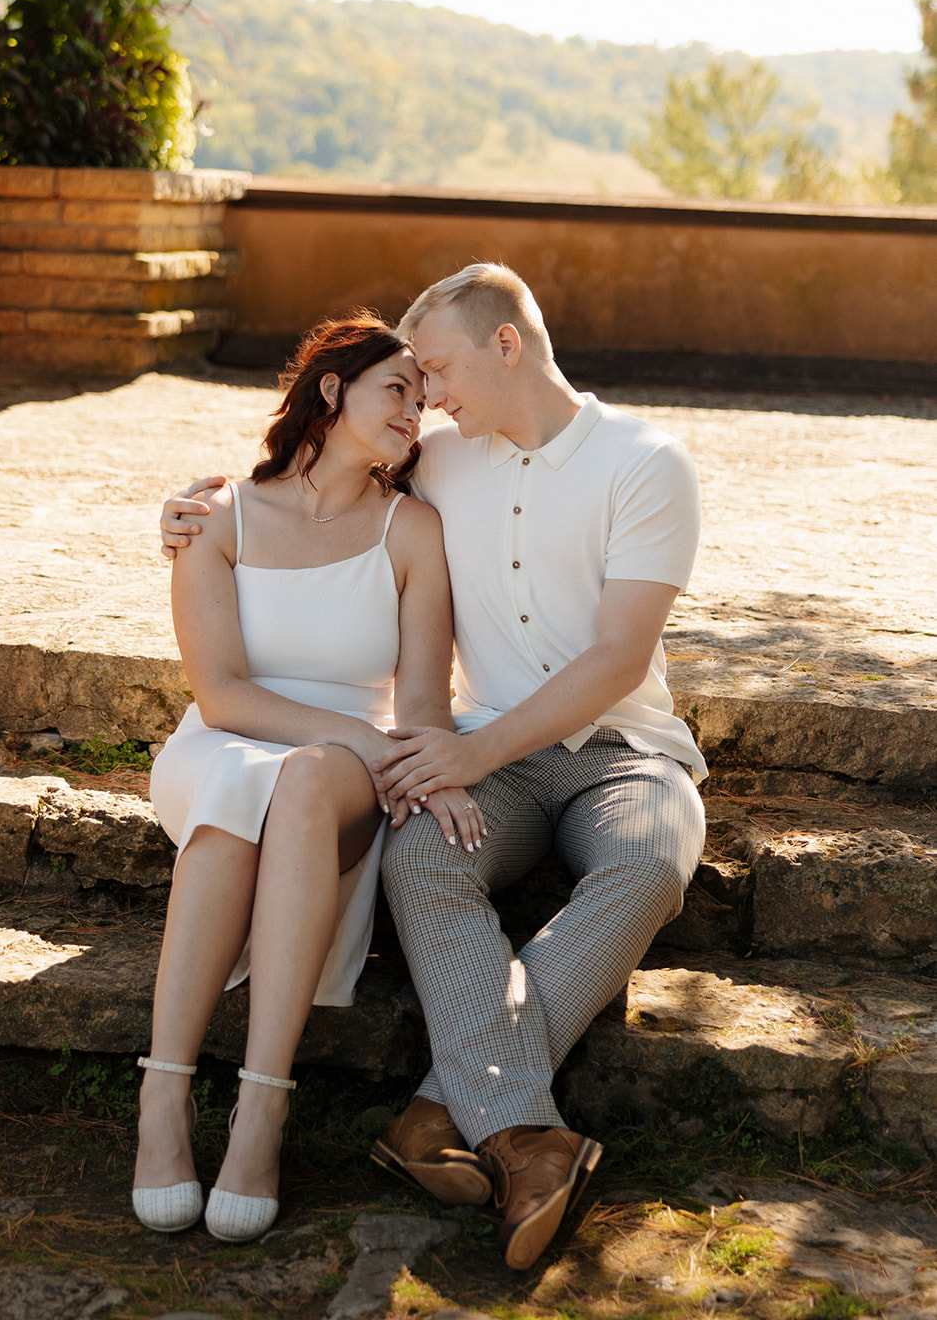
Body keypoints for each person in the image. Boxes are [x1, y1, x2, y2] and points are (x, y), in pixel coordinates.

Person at [160, 264, 708, 1270]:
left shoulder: (646, 461)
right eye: (416, 381)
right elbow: (309, 482)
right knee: (420, 861)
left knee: (648, 863)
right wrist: (191, 511)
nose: (432, 396)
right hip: (484, 752)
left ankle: (444, 1114)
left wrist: (465, 751)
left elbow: (617, 658)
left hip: (620, 751)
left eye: (442, 369)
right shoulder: (439, 458)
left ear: (507, 345)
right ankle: (520, 1138)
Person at [134, 312, 462, 1246]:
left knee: (306, 781)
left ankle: (260, 1112)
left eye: (422, 394)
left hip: (336, 775)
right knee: (246, 785)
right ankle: (163, 1103)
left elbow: (427, 704)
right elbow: (223, 694)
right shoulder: (217, 515)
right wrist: (361, 734)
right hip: (225, 743)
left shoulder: (413, 530)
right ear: (331, 390)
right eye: (395, 388)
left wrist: (411, 757)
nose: (415, 409)